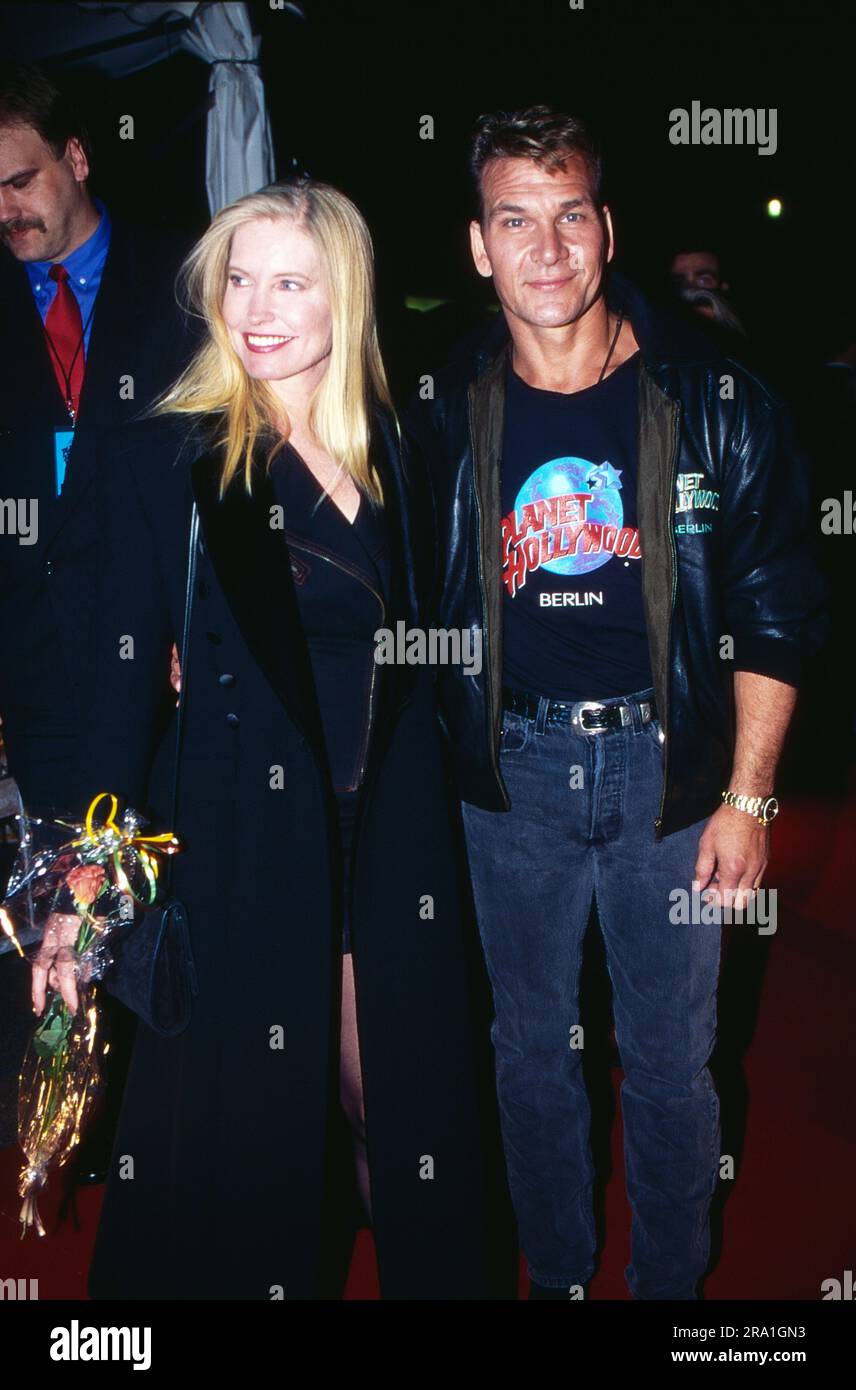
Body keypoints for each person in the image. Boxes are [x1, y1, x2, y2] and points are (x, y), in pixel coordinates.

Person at [31, 177, 512, 1300]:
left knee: (398, 1103)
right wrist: (80, 886)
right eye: (237, 279)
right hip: (246, 839)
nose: (255, 306)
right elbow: (114, 683)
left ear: (343, 298)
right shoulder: (177, 455)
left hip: (391, 838)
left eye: (288, 281)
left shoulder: (401, 445)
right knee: (245, 1139)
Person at [406, 105, 826, 1300]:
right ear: (478, 247)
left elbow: (776, 603)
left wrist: (747, 795)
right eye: (514, 221)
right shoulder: (441, 404)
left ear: (606, 227)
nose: (546, 250)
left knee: (671, 1065)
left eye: (569, 215)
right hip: (510, 776)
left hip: (673, 775)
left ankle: (669, 1296)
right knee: (529, 1055)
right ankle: (560, 1275)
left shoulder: (716, 397)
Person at [0, 63, 194, 814]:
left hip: (164, 666)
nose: (6, 209)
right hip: (37, 675)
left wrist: (196, 614)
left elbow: (223, 461)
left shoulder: (184, 278)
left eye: (20, 181)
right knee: (69, 909)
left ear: (76, 158)